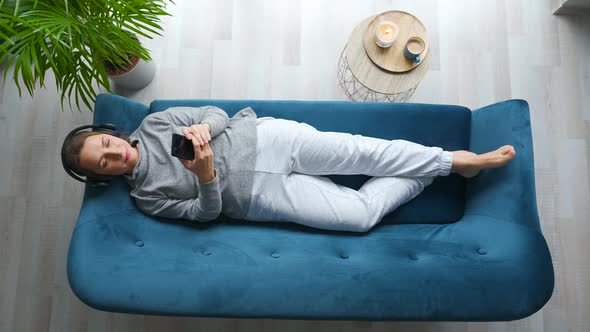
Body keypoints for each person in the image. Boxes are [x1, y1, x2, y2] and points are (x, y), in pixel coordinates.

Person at [61, 106, 515, 232]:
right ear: (103, 174)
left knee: (366, 153)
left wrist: (202, 125)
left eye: (105, 143)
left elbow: (219, 113)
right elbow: (204, 215)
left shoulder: (156, 123)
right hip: (259, 199)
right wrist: (205, 178)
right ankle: (434, 171)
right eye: (102, 162)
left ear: (110, 132)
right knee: (358, 217)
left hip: (270, 140)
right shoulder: (146, 199)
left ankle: (456, 163)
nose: (112, 153)